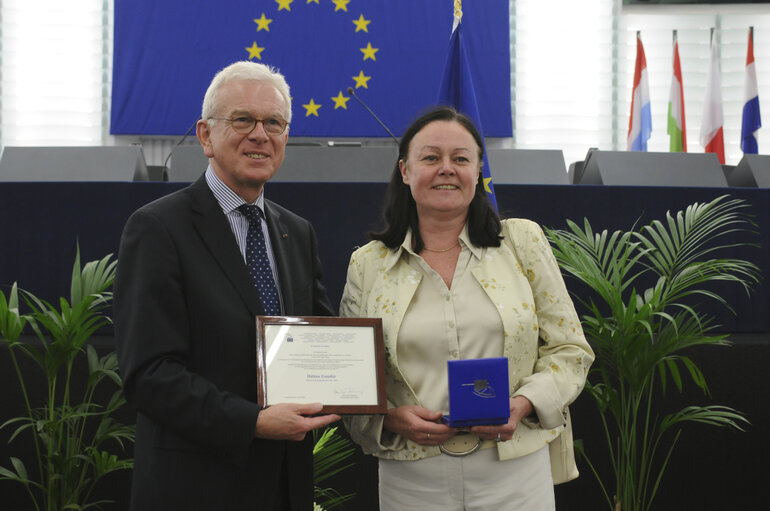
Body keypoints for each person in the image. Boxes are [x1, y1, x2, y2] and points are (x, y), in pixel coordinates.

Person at [339, 106, 594, 510]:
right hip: (412, 476)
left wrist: (524, 403)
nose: (446, 169)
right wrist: (390, 416)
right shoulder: (368, 264)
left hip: (514, 470)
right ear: (405, 171)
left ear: (477, 172)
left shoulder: (523, 242)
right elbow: (351, 377)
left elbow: (570, 350)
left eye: (461, 159)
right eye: (430, 157)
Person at [114, 61, 340, 511]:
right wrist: (253, 421)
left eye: (273, 122)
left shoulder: (296, 232)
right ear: (204, 136)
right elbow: (149, 375)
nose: (260, 134)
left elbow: (322, 342)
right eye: (242, 119)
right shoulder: (158, 228)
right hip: (195, 489)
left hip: (283, 485)